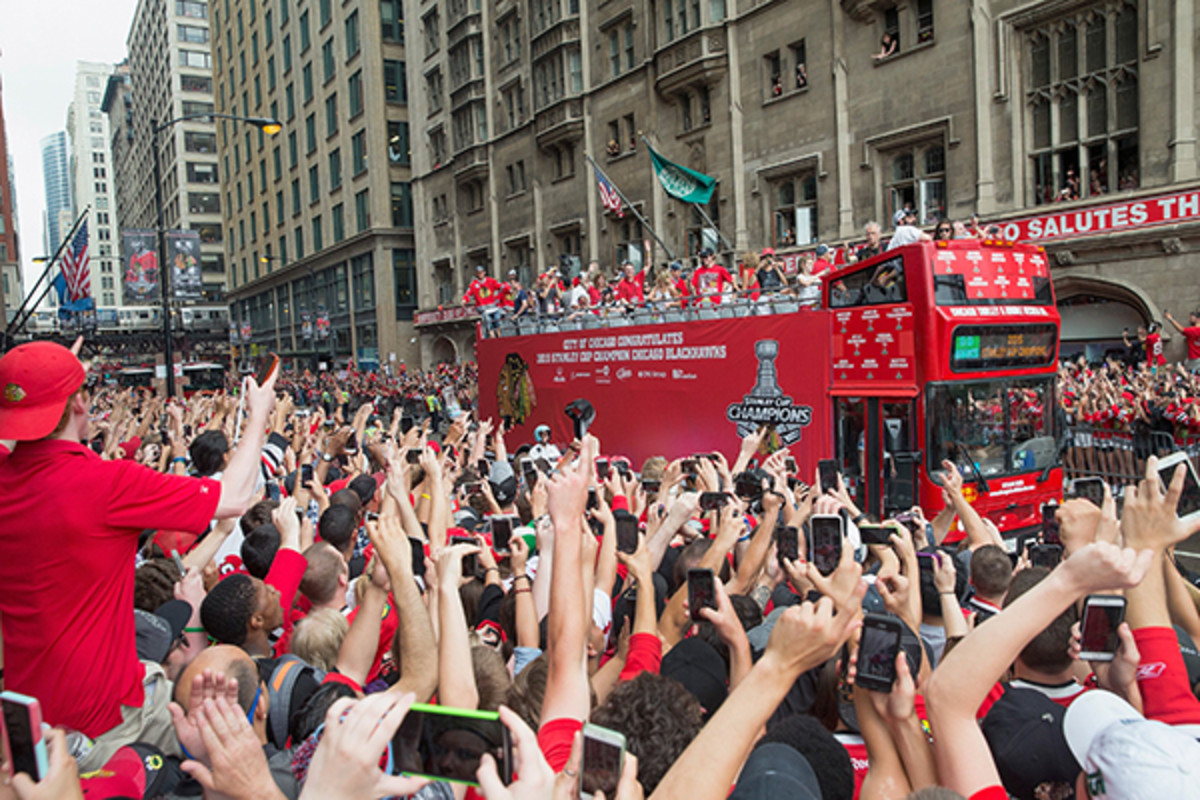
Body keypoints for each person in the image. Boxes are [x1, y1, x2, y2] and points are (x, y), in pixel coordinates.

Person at [0, 340, 276, 771]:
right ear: (80, 403)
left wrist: (43, 379)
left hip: (25, 711)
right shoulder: (104, 483)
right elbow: (236, 496)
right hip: (107, 719)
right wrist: (259, 411)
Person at [462, 265, 504, 338]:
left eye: (481, 272)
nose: (480, 274)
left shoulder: (491, 281)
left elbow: (501, 287)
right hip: (484, 309)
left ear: (484, 273)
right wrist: (464, 300)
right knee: (489, 323)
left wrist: (498, 298)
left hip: (493, 307)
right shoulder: (474, 285)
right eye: (478, 273)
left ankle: (500, 338)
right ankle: (493, 338)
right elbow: (468, 294)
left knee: (497, 322)